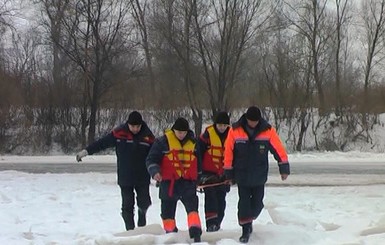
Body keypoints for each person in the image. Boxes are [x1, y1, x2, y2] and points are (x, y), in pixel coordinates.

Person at [76, 111, 155, 231]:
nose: (135, 129)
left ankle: (142, 220)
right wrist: (86, 151)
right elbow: (102, 143)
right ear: (128, 124)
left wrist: (159, 172)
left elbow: (156, 155)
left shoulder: (148, 136)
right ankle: (130, 230)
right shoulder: (119, 134)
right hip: (125, 176)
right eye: (132, 126)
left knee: (144, 202)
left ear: (141, 125)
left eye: (138, 126)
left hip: (142, 176)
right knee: (127, 205)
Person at [223, 106, 290, 243]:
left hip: (259, 175)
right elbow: (228, 152)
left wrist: (283, 168)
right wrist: (228, 173)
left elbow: (278, 149)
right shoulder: (235, 131)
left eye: (255, 121)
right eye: (250, 121)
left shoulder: (268, 131)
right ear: (246, 119)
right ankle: (245, 229)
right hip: (242, 175)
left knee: (257, 204)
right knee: (244, 204)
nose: (253, 123)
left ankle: (250, 219)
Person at [146, 117, 202, 242]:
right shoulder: (162, 142)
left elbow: (198, 163)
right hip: (168, 183)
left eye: (184, 132)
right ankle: (170, 235)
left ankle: (196, 234)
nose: (181, 135)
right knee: (167, 213)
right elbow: (151, 159)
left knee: (193, 210)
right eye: (179, 132)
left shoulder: (194, 143)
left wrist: (199, 179)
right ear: (173, 130)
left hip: (188, 183)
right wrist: (155, 172)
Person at [198, 111, 230, 232]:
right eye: (219, 125)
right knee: (210, 198)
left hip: (223, 174)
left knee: (221, 200)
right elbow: (198, 153)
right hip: (208, 174)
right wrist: (199, 173)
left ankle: (218, 223)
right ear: (215, 124)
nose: (222, 128)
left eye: (224, 125)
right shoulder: (207, 135)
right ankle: (211, 224)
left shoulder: (231, 135)